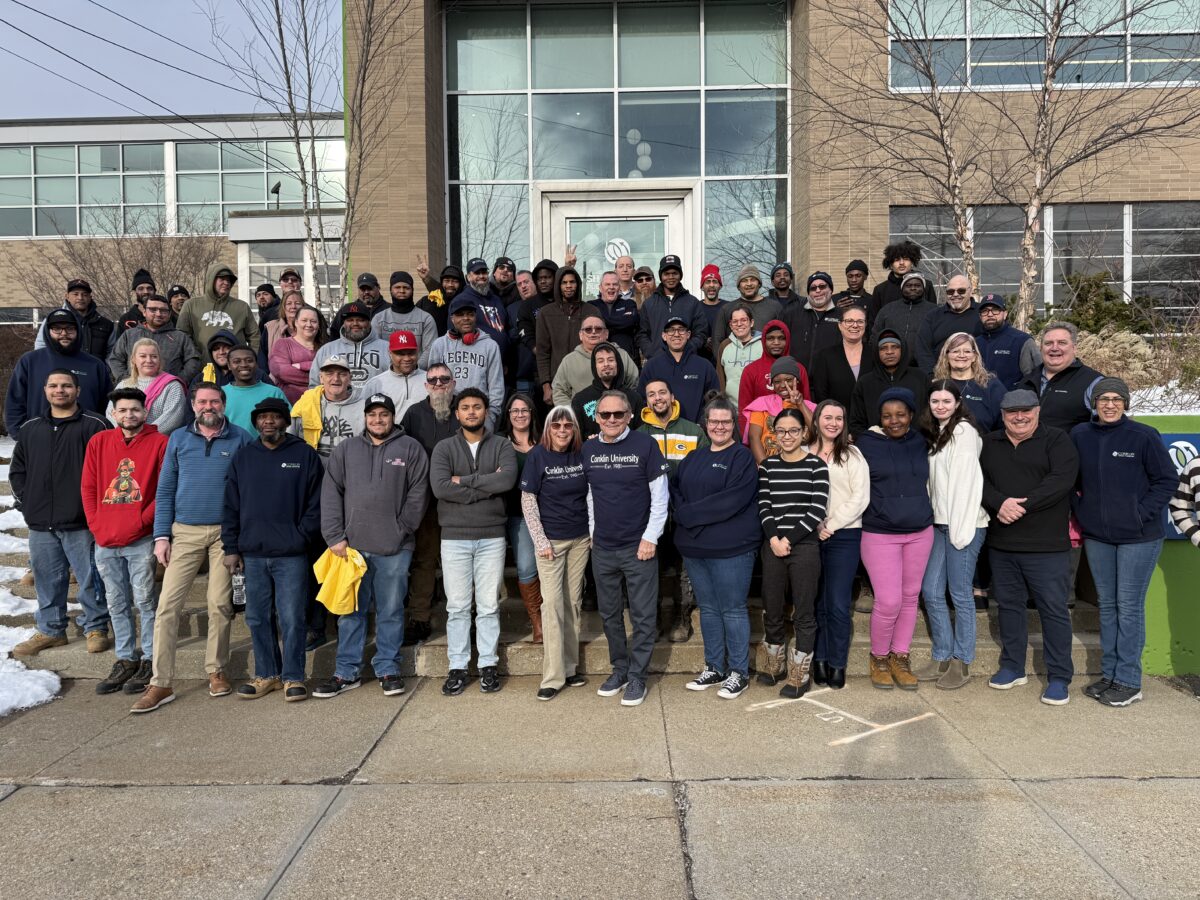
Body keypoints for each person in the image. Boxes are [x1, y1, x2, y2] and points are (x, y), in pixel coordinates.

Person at [131, 383, 253, 713]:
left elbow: (249, 490)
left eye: (214, 401)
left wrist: (240, 539)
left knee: (218, 604)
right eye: (202, 401)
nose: (208, 406)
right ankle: (161, 682)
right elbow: (166, 489)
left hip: (225, 536)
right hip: (184, 532)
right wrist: (161, 537)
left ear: (224, 405)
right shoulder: (179, 439)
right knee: (168, 606)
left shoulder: (241, 438)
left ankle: (216, 670)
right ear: (193, 404)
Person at [315, 393, 430, 699]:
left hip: (396, 547)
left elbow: (419, 494)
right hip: (351, 549)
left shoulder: (411, 449)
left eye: (384, 414)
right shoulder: (346, 450)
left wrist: (402, 528)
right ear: (364, 418)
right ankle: (346, 672)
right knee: (350, 611)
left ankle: (388, 668)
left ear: (393, 417)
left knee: (391, 610)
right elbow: (331, 493)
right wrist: (334, 536)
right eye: (372, 415)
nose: (378, 420)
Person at [1071, 377, 1176, 707]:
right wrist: (1082, 512)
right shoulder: (1080, 435)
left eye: (1117, 398)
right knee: (1108, 606)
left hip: (1139, 537)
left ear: (1126, 403)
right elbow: (1071, 479)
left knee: (1128, 607)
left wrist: (1139, 514)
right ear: (1095, 403)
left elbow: (1166, 480)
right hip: (1099, 536)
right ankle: (1110, 675)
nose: (1110, 404)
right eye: (1104, 399)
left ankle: (1130, 680)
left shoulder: (1143, 436)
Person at [980, 389, 1079, 706]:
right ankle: (1012, 666)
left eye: (1026, 411)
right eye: (1012, 412)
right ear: (1002, 414)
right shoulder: (990, 443)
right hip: (1003, 543)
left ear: (1038, 411)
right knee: (1008, 608)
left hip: (1046, 546)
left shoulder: (1057, 440)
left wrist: (1022, 505)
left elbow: (1062, 480)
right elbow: (978, 481)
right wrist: (999, 503)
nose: (1019, 417)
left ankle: (1059, 676)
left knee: (1053, 611)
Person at [222, 397, 324, 703]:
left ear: (285, 422)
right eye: (263, 417)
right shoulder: (244, 457)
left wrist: (300, 536)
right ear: (256, 423)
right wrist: (231, 546)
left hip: (291, 554)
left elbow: (316, 505)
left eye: (275, 417)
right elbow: (230, 505)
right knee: (256, 617)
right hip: (252, 554)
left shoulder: (303, 455)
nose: (269, 422)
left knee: (292, 617)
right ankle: (266, 674)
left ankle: (293, 676)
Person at [10, 371, 111, 659]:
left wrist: (96, 510)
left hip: (81, 520)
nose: (60, 390)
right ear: (44, 390)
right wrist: (28, 502)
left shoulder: (95, 425)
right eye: (53, 385)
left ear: (77, 390)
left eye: (66, 385)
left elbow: (108, 472)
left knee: (90, 577)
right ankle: (52, 630)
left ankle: (96, 626)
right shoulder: (31, 428)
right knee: (47, 579)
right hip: (41, 521)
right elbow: (18, 470)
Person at [582, 390, 670, 707]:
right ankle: (619, 670)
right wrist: (593, 534)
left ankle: (637, 677)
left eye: (618, 414)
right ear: (596, 417)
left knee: (644, 617)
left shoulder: (646, 445)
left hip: (638, 547)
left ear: (630, 415)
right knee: (610, 615)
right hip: (603, 547)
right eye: (605, 415)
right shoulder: (588, 449)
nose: (611, 420)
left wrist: (651, 537)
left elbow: (660, 497)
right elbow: (590, 496)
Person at [82, 387, 169, 694]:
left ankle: (148, 658)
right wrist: (96, 524)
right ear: (114, 414)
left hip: (140, 538)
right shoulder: (99, 442)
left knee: (145, 600)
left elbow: (165, 490)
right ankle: (125, 658)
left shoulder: (160, 443)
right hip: (105, 538)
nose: (129, 414)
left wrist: (141, 521)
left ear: (145, 413)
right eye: (123, 410)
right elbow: (89, 486)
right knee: (116, 601)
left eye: (135, 409)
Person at [431, 388, 517, 696]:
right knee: (456, 606)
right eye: (465, 407)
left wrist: (464, 481)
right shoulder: (444, 448)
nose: (471, 412)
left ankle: (488, 666)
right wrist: (485, 485)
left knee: (488, 605)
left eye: (476, 407)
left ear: (485, 411)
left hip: (492, 535)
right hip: (454, 537)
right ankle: (457, 666)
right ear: (457, 413)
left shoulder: (502, 445)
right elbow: (440, 487)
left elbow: (506, 480)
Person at [674, 395, 761, 699]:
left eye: (726, 421)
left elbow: (732, 500)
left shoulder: (742, 458)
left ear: (734, 425)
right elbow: (677, 491)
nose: (720, 427)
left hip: (732, 550)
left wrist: (691, 517)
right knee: (709, 610)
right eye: (715, 421)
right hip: (697, 550)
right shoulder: (693, 458)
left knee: (733, 610)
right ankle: (715, 666)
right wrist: (688, 516)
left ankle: (738, 671)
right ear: (706, 424)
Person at [856, 387, 935, 691]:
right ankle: (878, 658)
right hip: (880, 532)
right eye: (887, 415)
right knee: (888, 601)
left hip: (919, 532)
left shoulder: (921, 442)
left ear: (911, 416)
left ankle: (899, 657)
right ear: (880, 417)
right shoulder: (866, 444)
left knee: (910, 598)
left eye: (901, 414)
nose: (894, 420)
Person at [916, 381, 989, 690]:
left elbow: (966, 485)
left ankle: (962, 660)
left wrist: (961, 531)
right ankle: (942, 654)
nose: (941, 405)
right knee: (931, 591)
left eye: (947, 400)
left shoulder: (963, 433)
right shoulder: (937, 434)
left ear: (958, 403)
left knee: (960, 593)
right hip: (940, 524)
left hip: (965, 524)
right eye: (935, 400)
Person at [755, 407, 830, 698]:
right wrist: (774, 538)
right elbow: (764, 506)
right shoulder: (768, 467)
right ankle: (774, 664)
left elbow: (817, 509)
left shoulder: (816, 466)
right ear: (774, 433)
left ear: (804, 433)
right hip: (773, 545)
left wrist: (789, 539)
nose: (787, 436)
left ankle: (799, 673)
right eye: (782, 431)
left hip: (805, 547)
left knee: (804, 611)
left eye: (794, 431)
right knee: (772, 607)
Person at [521, 405, 591, 700]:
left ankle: (571, 666)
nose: (562, 431)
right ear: (547, 429)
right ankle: (552, 676)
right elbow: (528, 500)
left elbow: (591, 494)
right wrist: (540, 540)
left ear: (575, 429)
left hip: (580, 540)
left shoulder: (582, 454)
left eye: (568, 426)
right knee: (552, 605)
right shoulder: (538, 456)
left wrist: (593, 533)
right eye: (556, 426)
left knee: (573, 602)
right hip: (550, 542)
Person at [806, 400, 869, 691]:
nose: (833, 423)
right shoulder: (804, 452)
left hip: (843, 535)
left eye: (839, 418)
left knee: (838, 604)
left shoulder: (853, 455)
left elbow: (860, 498)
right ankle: (819, 658)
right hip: (809, 534)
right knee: (817, 602)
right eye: (827, 417)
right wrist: (815, 525)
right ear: (816, 419)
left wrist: (830, 525)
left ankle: (837, 662)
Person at [639, 378, 708, 640]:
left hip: (684, 514)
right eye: (652, 395)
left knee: (684, 568)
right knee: (650, 569)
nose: (658, 398)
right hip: (650, 517)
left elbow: (703, 473)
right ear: (647, 401)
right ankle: (654, 618)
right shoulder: (639, 434)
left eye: (662, 392)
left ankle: (682, 617)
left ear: (672, 395)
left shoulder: (693, 431)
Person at [399, 364, 459, 644]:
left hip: (459, 500)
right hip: (425, 500)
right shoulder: (413, 414)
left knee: (460, 562)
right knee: (424, 560)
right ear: (426, 385)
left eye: (443, 379)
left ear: (453, 382)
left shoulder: (466, 408)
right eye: (433, 380)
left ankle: (465, 618)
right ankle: (420, 618)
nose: (438, 384)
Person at [6, 309, 113, 435]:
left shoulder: (94, 365)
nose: (64, 333)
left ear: (77, 330)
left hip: (86, 439)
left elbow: (107, 406)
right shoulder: (30, 361)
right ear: (48, 331)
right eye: (57, 329)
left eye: (70, 328)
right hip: (39, 437)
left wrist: (102, 436)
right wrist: (21, 435)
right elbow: (15, 401)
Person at [498, 393, 543, 642]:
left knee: (535, 565)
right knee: (525, 566)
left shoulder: (545, 441)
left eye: (524, 410)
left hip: (540, 513)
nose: (520, 415)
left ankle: (543, 619)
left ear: (532, 412)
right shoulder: (499, 442)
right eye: (514, 411)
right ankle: (536, 620)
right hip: (511, 512)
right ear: (508, 415)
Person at [427, 295, 505, 427]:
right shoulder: (439, 345)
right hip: (447, 412)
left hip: (478, 413)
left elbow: (496, 386)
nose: (466, 318)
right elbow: (432, 382)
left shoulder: (490, 346)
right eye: (460, 315)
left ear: (476, 317)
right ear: (452, 319)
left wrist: (490, 417)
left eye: (470, 314)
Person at [1021, 321, 1105, 432]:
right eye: (1048, 343)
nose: (1054, 348)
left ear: (1074, 348)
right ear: (1041, 348)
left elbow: (1107, 429)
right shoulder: (1027, 380)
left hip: (1071, 448)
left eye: (1062, 343)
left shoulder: (1093, 382)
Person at [637, 316, 719, 423]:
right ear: (664, 336)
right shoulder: (651, 366)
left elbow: (715, 400)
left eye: (681, 330)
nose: (676, 334)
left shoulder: (704, 366)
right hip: (661, 431)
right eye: (671, 330)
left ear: (688, 334)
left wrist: (702, 425)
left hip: (696, 432)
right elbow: (643, 401)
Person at [848, 330, 927, 438]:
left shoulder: (920, 377)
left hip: (917, 446)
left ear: (902, 349)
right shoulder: (865, 383)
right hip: (876, 448)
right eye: (883, 348)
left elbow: (930, 417)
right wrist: (872, 442)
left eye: (895, 346)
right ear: (876, 352)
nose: (889, 352)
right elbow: (856, 423)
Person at [109, 293, 201, 384]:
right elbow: (115, 359)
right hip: (135, 392)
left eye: (163, 310)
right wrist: (127, 381)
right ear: (144, 312)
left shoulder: (180, 337)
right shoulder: (129, 335)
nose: (158, 314)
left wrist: (178, 381)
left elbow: (193, 360)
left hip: (169, 390)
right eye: (153, 310)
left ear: (169, 314)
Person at [737, 320, 810, 435]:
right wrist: (745, 438)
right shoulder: (751, 370)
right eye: (771, 338)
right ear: (763, 341)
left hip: (794, 433)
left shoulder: (799, 368)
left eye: (781, 338)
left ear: (788, 340)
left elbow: (807, 402)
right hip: (761, 435)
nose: (776, 342)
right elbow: (744, 408)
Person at [551, 314, 639, 407]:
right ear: (581, 335)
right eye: (588, 329)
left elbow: (634, 384)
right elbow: (559, 391)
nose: (593, 332)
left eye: (598, 329)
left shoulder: (622, 355)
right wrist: (572, 414)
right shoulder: (569, 361)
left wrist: (624, 408)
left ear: (606, 334)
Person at [176, 263, 259, 359]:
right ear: (212, 280)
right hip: (202, 367)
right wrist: (194, 359)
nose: (226, 283)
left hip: (235, 368)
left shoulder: (242, 307)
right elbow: (182, 336)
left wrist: (250, 359)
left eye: (229, 280)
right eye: (222, 279)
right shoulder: (191, 305)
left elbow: (255, 336)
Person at [636, 255, 708, 361]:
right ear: (661, 276)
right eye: (666, 274)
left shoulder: (692, 302)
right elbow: (641, 334)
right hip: (657, 361)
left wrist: (688, 349)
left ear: (680, 275)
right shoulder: (649, 304)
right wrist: (651, 352)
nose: (671, 277)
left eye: (674, 273)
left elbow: (701, 332)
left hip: (687, 361)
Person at [290, 355, 364, 458]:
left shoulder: (364, 408)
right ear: (321, 378)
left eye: (342, 374)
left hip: (350, 469)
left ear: (350, 379)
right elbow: (289, 438)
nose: (336, 378)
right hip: (313, 468)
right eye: (329, 374)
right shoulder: (305, 403)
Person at [110, 338, 188, 435]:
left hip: (156, 442)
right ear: (134, 359)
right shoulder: (123, 385)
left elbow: (173, 418)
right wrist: (126, 433)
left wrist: (143, 436)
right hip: (125, 440)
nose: (149, 360)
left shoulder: (172, 386)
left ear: (159, 359)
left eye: (154, 356)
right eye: (143, 356)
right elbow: (111, 412)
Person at [932, 332, 1006, 432]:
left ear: (974, 356)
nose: (961, 355)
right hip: (943, 445)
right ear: (946, 356)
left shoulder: (991, 385)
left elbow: (1004, 423)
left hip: (983, 445)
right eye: (955, 351)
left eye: (967, 351)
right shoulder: (936, 385)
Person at [536, 266, 586, 405]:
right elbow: (542, 352)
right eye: (564, 282)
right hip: (557, 384)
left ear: (578, 284)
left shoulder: (591, 311)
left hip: (586, 382)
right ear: (558, 285)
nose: (568, 286)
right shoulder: (546, 313)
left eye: (572, 282)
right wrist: (546, 386)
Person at [310, 301, 389, 389]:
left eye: (360, 320)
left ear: (369, 323)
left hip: (376, 401)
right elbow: (314, 385)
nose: (355, 324)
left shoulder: (386, 348)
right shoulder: (327, 349)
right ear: (343, 323)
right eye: (350, 320)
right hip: (338, 402)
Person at [572, 343, 642, 440]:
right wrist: (589, 443)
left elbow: (641, 437)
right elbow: (576, 438)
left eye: (611, 360)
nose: (606, 364)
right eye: (600, 361)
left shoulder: (634, 398)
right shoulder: (580, 399)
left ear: (618, 364)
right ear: (594, 366)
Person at [34, 278, 115, 357]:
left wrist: (106, 369)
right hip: (62, 370)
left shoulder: (105, 324)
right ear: (67, 296)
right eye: (75, 294)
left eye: (85, 294)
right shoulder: (53, 320)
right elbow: (41, 346)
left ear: (90, 298)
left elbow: (112, 353)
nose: (80, 298)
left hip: (96, 370)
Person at [916, 275, 982, 372]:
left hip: (977, 376)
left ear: (970, 291)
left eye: (961, 291)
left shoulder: (982, 313)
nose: (955, 294)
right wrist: (931, 375)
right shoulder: (933, 316)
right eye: (950, 291)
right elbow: (922, 349)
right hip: (941, 378)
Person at [372, 272, 438, 368]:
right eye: (397, 287)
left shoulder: (425, 319)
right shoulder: (379, 319)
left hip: (417, 374)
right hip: (387, 373)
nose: (402, 291)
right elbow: (375, 349)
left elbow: (430, 350)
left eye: (406, 287)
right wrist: (393, 370)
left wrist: (414, 369)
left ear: (412, 290)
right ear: (391, 290)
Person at [781, 271, 842, 374]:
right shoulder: (792, 313)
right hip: (796, 377)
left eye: (822, 287)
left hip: (829, 380)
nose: (818, 290)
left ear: (830, 289)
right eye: (813, 288)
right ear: (809, 293)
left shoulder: (842, 316)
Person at [977, 294, 1041, 390]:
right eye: (985, 311)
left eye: (995, 310)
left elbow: (1034, 378)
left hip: (1013, 402)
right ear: (980, 316)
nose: (990, 314)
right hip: (981, 401)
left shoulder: (1021, 341)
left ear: (1005, 314)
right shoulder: (975, 343)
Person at [711, 264, 782, 350]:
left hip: (765, 361)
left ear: (759, 283)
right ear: (739, 286)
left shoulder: (775, 307)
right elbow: (717, 341)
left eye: (752, 280)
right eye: (744, 281)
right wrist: (724, 362)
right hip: (734, 362)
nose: (749, 284)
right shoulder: (726, 309)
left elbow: (783, 338)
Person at [363, 330, 428, 421]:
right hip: (391, 435)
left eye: (411, 353)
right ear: (390, 353)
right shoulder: (375, 384)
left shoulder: (431, 380)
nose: (406, 358)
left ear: (417, 352)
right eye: (400, 354)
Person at [222, 345, 287, 434]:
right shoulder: (220, 393)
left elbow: (288, 425)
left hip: (266, 447)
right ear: (229, 365)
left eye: (249, 360)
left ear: (256, 364)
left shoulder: (274, 392)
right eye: (237, 361)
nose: (244, 365)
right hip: (231, 447)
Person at [810, 305, 868, 408]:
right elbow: (821, 394)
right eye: (849, 321)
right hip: (837, 420)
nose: (855, 325)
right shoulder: (825, 356)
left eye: (860, 321)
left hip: (871, 421)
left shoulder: (875, 354)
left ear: (865, 325)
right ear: (840, 325)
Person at [269, 305, 327, 404]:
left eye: (313, 321)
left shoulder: (326, 348)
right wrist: (320, 377)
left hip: (319, 404)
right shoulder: (282, 344)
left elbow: (332, 375)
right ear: (296, 322)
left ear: (318, 325)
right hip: (290, 405)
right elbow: (282, 372)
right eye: (304, 320)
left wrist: (302, 365)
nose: (309, 325)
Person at [868, 240, 937, 319]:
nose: (901, 263)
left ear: (912, 262)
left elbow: (934, 316)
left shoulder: (926, 285)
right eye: (897, 260)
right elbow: (874, 321)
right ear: (890, 264)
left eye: (906, 259)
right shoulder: (880, 290)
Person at [870, 271, 936, 349]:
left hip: (923, 359)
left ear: (923, 288)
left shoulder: (934, 311)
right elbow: (875, 336)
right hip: (892, 358)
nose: (913, 288)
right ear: (902, 288)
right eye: (908, 285)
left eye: (917, 285)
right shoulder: (887, 310)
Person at [459, 258, 510, 358]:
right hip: (476, 362)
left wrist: (506, 361)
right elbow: (455, 335)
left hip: (500, 362)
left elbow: (505, 329)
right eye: (477, 273)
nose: (482, 276)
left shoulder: (496, 300)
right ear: (468, 277)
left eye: (484, 272)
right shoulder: (461, 300)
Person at [716, 306, 762, 405]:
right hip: (732, 408)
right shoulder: (724, 346)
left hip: (758, 408)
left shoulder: (763, 345)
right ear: (731, 325)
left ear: (751, 322)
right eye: (735, 321)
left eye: (743, 320)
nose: (739, 324)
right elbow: (720, 377)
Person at [510, 268, 545, 396]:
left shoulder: (547, 304)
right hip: (523, 376)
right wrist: (523, 331)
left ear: (534, 282)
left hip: (547, 373)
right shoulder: (511, 309)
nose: (523, 286)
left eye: (526, 282)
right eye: (519, 284)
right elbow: (508, 337)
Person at [590, 271, 640, 358]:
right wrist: (620, 322)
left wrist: (603, 322)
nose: (611, 287)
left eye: (615, 284)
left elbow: (630, 322)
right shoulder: (591, 306)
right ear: (600, 288)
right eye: (607, 284)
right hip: (598, 358)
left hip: (626, 358)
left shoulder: (629, 304)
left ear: (619, 288)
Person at [417, 264, 463, 336]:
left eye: (455, 281)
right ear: (441, 282)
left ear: (461, 284)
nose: (450, 284)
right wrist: (426, 278)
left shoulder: (466, 302)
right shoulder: (427, 301)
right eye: (447, 281)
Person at [115, 268, 155, 336]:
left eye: (149, 288)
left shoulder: (162, 316)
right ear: (134, 292)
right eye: (141, 289)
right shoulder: (126, 319)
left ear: (154, 291)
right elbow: (120, 346)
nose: (146, 292)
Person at [697, 264, 725, 359]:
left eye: (715, 282)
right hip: (700, 359)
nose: (711, 285)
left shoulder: (728, 307)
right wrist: (703, 341)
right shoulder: (695, 308)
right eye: (708, 282)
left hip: (723, 359)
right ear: (702, 287)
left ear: (720, 286)